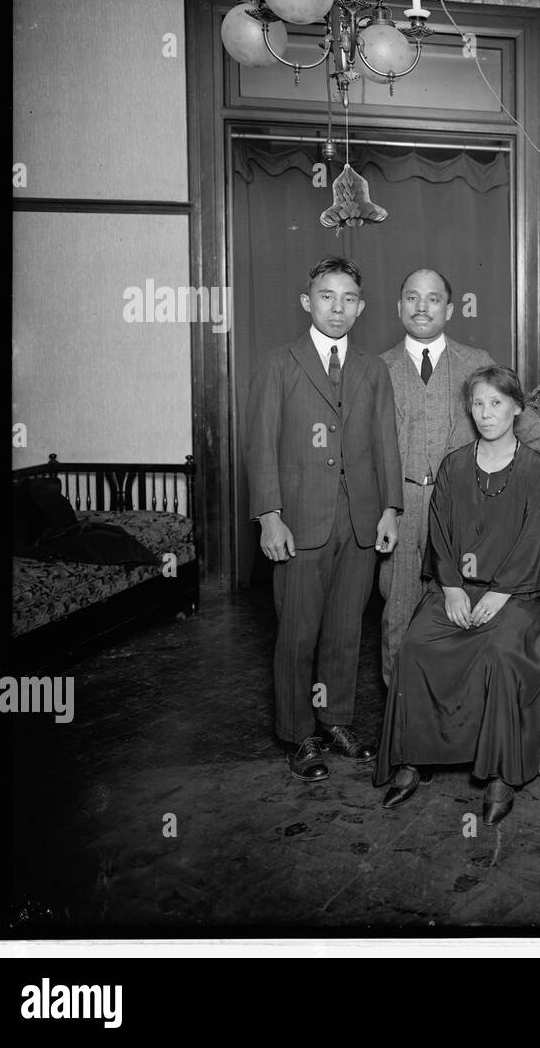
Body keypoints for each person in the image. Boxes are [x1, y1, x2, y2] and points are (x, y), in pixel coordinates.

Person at [374, 365, 540, 825]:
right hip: (458, 589)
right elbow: (439, 532)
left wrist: (501, 592)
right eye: (478, 403)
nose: (486, 412)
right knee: (416, 646)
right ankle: (413, 758)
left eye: (496, 403)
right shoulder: (455, 465)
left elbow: (537, 538)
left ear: (517, 407)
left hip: (517, 594)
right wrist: (453, 588)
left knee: (500, 651)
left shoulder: (535, 469)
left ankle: (500, 771)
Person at [244, 256, 402, 782]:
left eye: (348, 298)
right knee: (297, 633)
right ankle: (298, 733)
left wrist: (389, 509)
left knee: (343, 633)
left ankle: (334, 720)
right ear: (306, 301)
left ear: (361, 308)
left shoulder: (372, 369)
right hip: (299, 524)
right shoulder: (279, 364)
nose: (338, 307)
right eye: (327, 296)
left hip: (358, 522)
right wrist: (270, 516)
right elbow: (261, 447)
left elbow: (386, 444)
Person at [377, 267, 540, 682]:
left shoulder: (475, 361)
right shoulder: (378, 369)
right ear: (399, 307)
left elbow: (511, 409)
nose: (422, 307)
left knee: (460, 611)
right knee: (399, 609)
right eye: (413, 298)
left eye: (433, 299)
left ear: (449, 309)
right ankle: (402, 714)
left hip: (464, 506)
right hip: (402, 505)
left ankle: (455, 707)